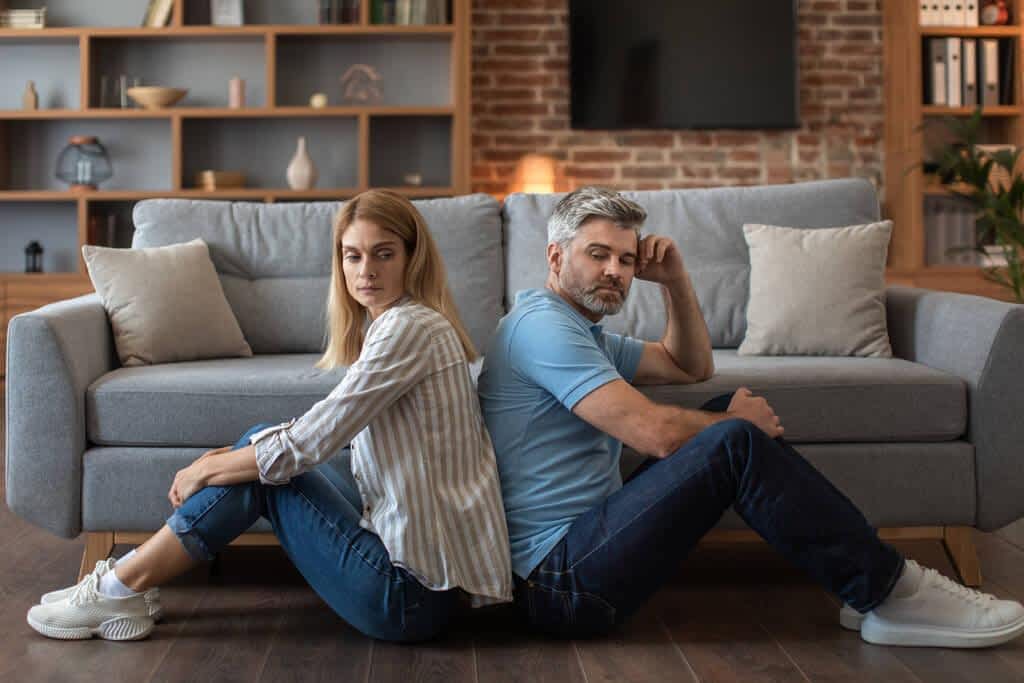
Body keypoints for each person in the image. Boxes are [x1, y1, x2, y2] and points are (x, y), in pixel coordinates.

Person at [477, 185, 1024, 648]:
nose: (614, 271)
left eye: (624, 259)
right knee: (733, 438)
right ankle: (891, 591)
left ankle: (869, 586)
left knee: (723, 418)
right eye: (598, 255)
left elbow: (688, 365)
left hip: (579, 552)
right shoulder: (543, 329)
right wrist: (740, 429)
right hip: (558, 583)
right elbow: (654, 434)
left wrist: (675, 281)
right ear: (555, 258)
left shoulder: (581, 330)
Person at [28, 189, 512, 642]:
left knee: (268, 472)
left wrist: (207, 468)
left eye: (383, 254)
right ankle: (126, 585)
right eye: (353, 255)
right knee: (262, 444)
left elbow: (309, 443)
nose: (366, 270)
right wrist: (233, 456)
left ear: (411, 258)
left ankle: (120, 587)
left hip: (412, 597)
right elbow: (315, 435)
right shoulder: (408, 323)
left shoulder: (408, 329)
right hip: (429, 585)